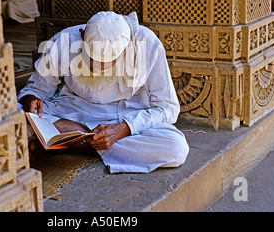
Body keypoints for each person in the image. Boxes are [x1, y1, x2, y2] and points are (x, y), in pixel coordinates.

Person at [17, 11, 189, 174]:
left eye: (103, 62)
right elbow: (36, 89)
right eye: (90, 57)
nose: (94, 67)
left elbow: (168, 108)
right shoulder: (64, 41)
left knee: (176, 147)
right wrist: (32, 98)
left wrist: (125, 129)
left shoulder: (147, 45)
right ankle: (86, 140)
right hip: (71, 110)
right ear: (82, 33)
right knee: (15, 114)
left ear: (126, 48)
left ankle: (71, 142)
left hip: (125, 115)